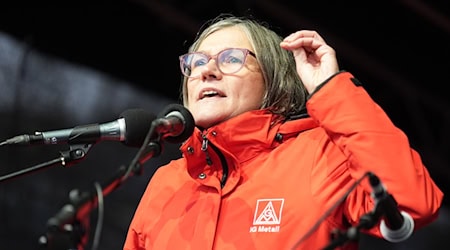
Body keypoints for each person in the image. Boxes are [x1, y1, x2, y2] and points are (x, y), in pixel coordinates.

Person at [123, 13, 443, 250]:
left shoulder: (320, 155)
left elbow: (413, 202)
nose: (207, 71)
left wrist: (330, 89)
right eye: (196, 62)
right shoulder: (168, 181)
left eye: (231, 58)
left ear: (272, 80)